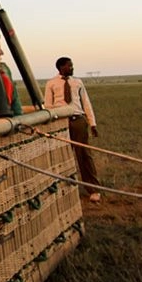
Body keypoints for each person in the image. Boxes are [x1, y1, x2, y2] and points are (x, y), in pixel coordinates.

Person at [43, 56, 102, 203]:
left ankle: (93, 189)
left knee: (84, 155)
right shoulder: (51, 83)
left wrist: (92, 123)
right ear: (61, 67)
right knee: (61, 155)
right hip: (60, 122)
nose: (72, 68)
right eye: (69, 66)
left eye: (72, 65)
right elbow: (48, 106)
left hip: (78, 121)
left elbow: (86, 102)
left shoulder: (77, 82)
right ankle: (63, 188)